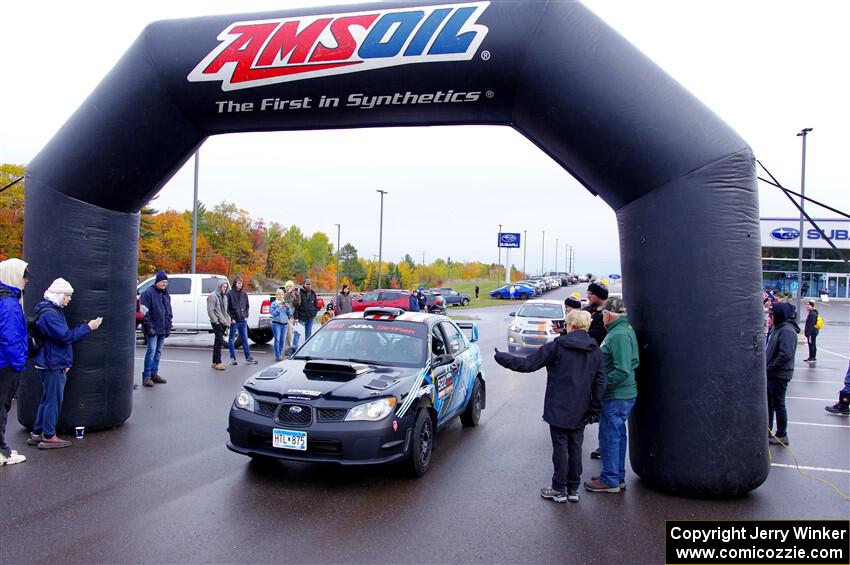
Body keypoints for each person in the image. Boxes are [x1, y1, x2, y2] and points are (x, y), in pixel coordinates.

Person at [495, 310, 606, 503]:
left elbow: (528, 364)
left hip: (558, 406)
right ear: (586, 326)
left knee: (560, 448)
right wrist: (595, 409)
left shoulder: (557, 346)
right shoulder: (595, 349)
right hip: (582, 407)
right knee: (575, 447)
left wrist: (503, 358)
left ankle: (558, 489)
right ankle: (573, 489)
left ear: (569, 326)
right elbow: (600, 381)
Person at [29, 278, 102, 449]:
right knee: (53, 400)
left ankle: (37, 433)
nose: (69, 299)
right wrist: (88, 328)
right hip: (53, 363)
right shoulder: (50, 315)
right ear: (59, 295)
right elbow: (65, 337)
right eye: (67, 296)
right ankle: (48, 435)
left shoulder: (48, 311)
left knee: (47, 398)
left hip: (49, 361)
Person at [584, 297, 639, 494]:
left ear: (608, 315)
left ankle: (610, 480)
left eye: (603, 315)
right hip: (622, 394)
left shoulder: (618, 336)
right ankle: (616, 475)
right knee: (617, 435)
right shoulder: (624, 330)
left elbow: (622, 369)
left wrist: (601, 385)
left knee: (609, 436)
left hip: (616, 396)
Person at [0, 258, 29, 465]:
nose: (26, 280)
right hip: (6, 365)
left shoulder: (8, 300)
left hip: (5, 362)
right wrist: (19, 362)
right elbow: (10, 338)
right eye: (24, 275)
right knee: (2, 406)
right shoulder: (9, 304)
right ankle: (2, 451)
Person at [765, 301, 799, 446]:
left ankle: (782, 434)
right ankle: (768, 431)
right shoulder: (777, 328)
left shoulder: (787, 331)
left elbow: (786, 354)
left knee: (778, 404)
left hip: (779, 375)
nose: (770, 317)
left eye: (772, 314)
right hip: (772, 373)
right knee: (770, 404)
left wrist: (770, 367)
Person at [140, 271, 172, 387]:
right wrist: (149, 327)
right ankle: (147, 376)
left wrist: (168, 326)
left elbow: (169, 312)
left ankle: (154, 374)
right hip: (152, 329)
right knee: (151, 352)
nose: (165, 284)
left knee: (158, 353)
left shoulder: (166, 295)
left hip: (162, 329)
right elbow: (144, 312)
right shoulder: (148, 293)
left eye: (166, 282)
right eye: (163, 282)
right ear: (157, 281)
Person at [227, 275, 257, 365]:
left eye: (241, 283)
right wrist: (231, 318)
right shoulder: (229, 294)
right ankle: (233, 358)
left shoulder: (244, 294)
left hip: (243, 320)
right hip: (234, 321)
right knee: (231, 340)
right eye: (239, 283)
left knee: (245, 339)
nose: (240, 285)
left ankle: (248, 357)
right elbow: (227, 308)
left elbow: (247, 306)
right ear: (235, 283)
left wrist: (246, 315)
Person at [206, 279, 230, 370]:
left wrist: (228, 319)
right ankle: (218, 362)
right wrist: (215, 321)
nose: (225, 288)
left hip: (223, 321)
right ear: (219, 286)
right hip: (216, 322)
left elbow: (225, 310)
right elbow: (210, 310)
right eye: (223, 287)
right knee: (220, 341)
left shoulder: (224, 297)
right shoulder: (213, 296)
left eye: (226, 287)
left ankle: (214, 362)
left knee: (217, 342)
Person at [294, 279, 319, 344]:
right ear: (304, 285)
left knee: (308, 334)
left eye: (309, 284)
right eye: (307, 284)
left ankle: (307, 348)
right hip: (301, 317)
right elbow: (296, 306)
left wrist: (314, 312)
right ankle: (294, 348)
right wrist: (296, 317)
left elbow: (316, 304)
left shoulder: (313, 293)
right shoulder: (300, 293)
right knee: (297, 333)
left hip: (310, 317)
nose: (308, 286)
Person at [270, 288, 290, 361]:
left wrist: (288, 308)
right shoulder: (274, 303)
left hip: (284, 324)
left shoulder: (285, 302)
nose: (281, 296)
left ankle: (281, 354)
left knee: (282, 340)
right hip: (276, 324)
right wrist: (279, 308)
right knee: (277, 340)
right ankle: (277, 355)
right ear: (277, 295)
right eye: (279, 294)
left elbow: (289, 314)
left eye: (282, 294)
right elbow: (273, 313)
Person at [283, 280, 298, 350]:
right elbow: (283, 300)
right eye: (288, 286)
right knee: (287, 334)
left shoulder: (293, 295)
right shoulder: (283, 294)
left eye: (291, 286)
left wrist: (297, 295)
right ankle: (286, 348)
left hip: (291, 317)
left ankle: (287, 348)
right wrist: (288, 293)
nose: (290, 288)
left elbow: (297, 304)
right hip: (285, 316)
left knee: (290, 333)